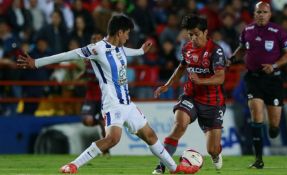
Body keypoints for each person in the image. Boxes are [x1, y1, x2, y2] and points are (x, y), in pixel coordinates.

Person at [17, 15, 199, 174]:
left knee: (150, 136)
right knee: (112, 139)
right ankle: (72, 165)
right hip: (113, 104)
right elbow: (68, 55)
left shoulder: (119, 48)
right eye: (127, 33)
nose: (128, 37)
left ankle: (175, 170)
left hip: (128, 104)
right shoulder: (97, 49)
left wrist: (141, 51)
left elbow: (126, 52)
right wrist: (37, 63)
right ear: (119, 32)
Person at [152, 14, 227, 174]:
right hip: (191, 96)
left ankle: (216, 153)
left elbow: (220, 78)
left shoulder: (216, 50)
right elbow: (181, 68)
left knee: (212, 149)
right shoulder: (186, 48)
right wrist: (167, 85)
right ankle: (161, 165)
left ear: (205, 32)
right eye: (190, 34)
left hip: (213, 103)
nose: (193, 38)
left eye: (196, 34)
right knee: (179, 125)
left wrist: (200, 81)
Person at [229, 2, 287, 169]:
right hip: (253, 78)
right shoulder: (247, 30)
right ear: (254, 13)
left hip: (273, 80)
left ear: (270, 14)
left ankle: (274, 128)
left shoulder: (279, 31)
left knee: (273, 126)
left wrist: (274, 66)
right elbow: (242, 48)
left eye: (264, 12)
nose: (261, 15)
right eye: (258, 12)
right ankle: (258, 159)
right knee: (256, 114)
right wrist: (233, 58)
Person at [79, 33, 109, 155]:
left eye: (98, 39)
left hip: (103, 97)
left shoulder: (106, 56)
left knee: (105, 127)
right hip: (91, 96)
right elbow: (85, 73)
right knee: (87, 120)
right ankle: (97, 119)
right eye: (93, 39)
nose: (95, 41)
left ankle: (105, 151)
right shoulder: (87, 57)